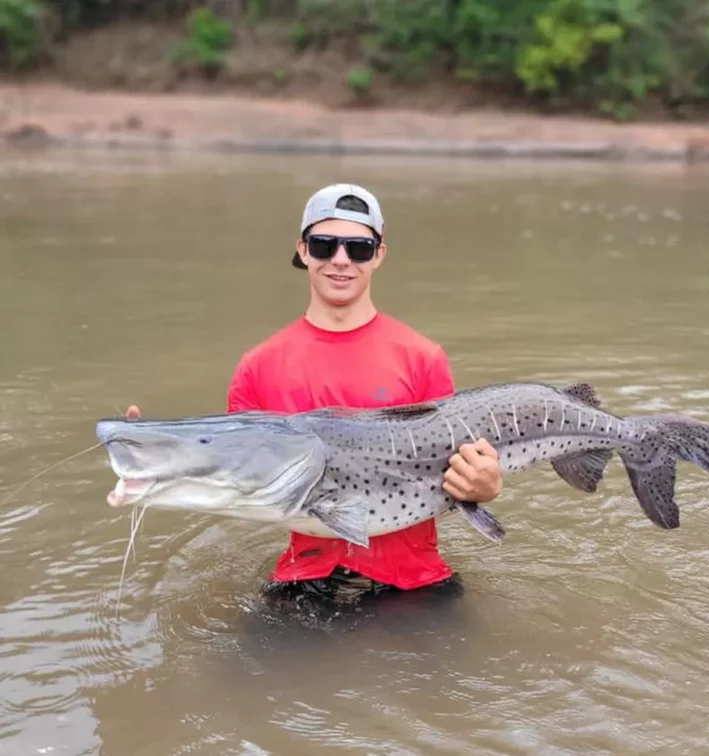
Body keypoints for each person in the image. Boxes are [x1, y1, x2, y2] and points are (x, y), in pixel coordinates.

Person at [126, 183, 503, 604]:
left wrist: (483, 486)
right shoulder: (257, 366)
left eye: (358, 249)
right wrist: (153, 449)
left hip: (415, 579)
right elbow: (234, 471)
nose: (340, 260)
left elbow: (457, 470)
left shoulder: (423, 358)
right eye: (325, 245)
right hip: (305, 578)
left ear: (378, 255)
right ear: (304, 251)